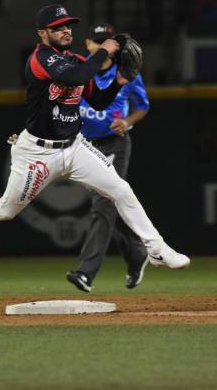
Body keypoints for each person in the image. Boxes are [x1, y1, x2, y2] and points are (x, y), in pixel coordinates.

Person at [0, 4, 190, 271]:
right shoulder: (41, 59)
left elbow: (98, 101)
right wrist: (105, 51)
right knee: (6, 210)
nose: (66, 30)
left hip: (74, 146)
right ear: (42, 33)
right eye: (58, 27)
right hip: (38, 153)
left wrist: (118, 83)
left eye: (68, 25)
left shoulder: (78, 60)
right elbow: (74, 76)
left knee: (121, 190)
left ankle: (157, 249)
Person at [65, 22, 150, 293]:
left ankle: (85, 273)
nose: (103, 46)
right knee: (108, 207)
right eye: (97, 41)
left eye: (107, 41)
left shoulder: (126, 71)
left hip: (115, 144)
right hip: (85, 146)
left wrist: (127, 121)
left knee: (103, 205)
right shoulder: (81, 70)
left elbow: (142, 107)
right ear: (88, 44)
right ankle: (137, 253)